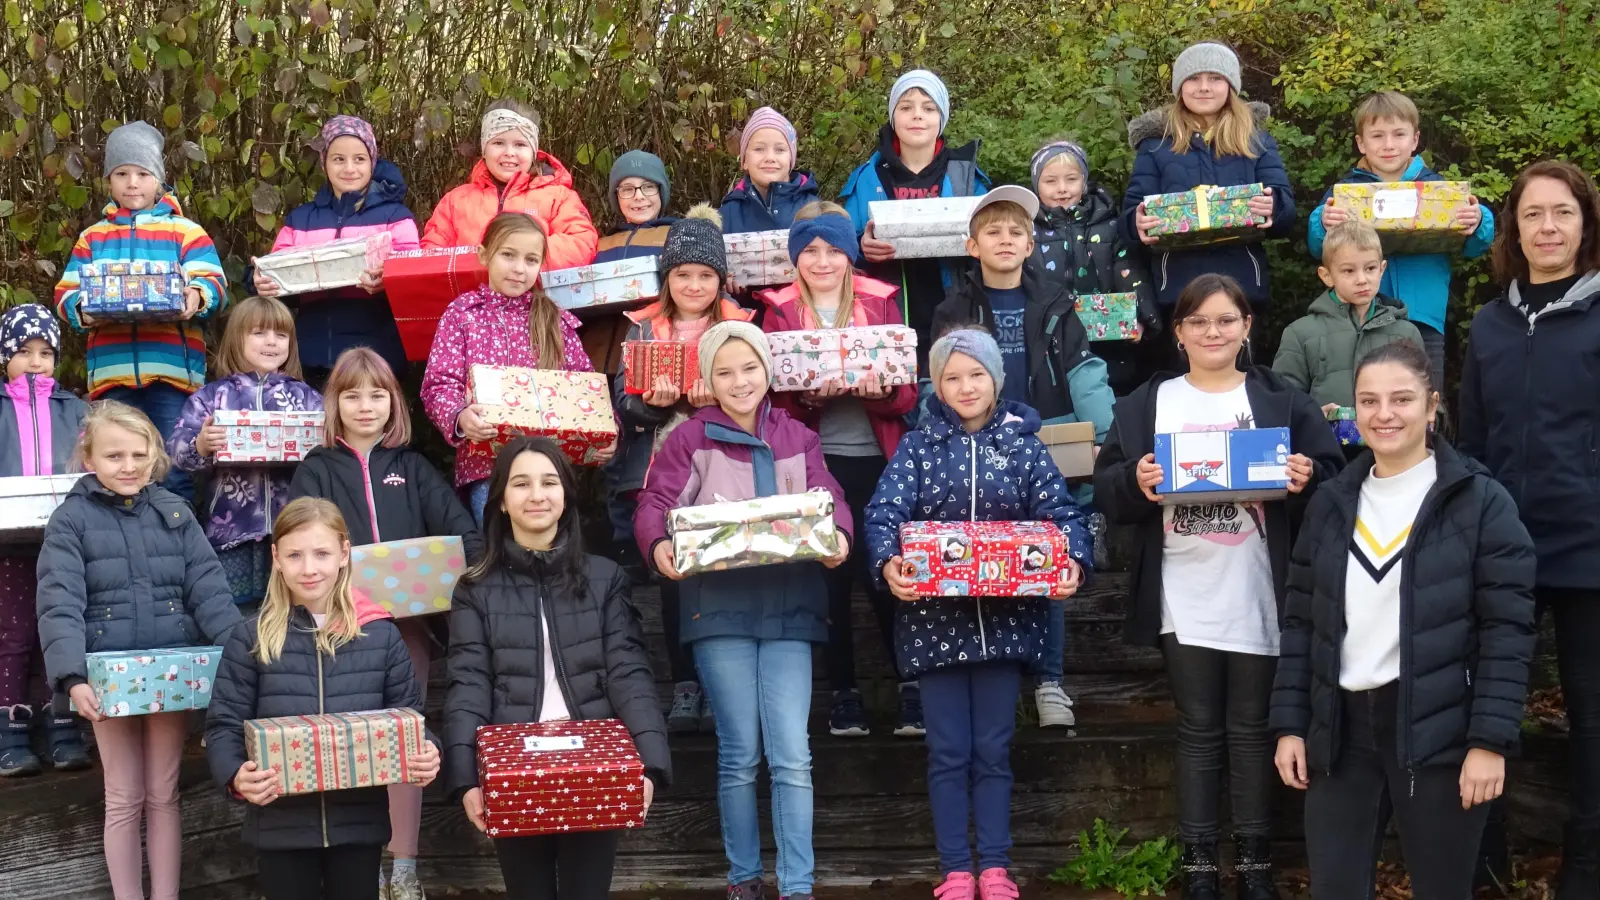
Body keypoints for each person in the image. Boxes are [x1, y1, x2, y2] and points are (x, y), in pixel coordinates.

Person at [1092, 273, 1343, 900]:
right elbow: (1107, 488)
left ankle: (1256, 866)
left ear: (1246, 327)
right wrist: (1137, 480)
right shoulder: (1148, 403)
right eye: (1199, 322)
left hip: (1260, 588)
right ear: (1178, 333)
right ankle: (1201, 867)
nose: (1213, 331)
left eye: (1226, 320)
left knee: (1253, 727)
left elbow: (1334, 478)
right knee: (1199, 729)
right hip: (1185, 588)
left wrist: (1307, 474)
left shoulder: (1281, 398)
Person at [1271, 340, 1536, 900]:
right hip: (1340, 733)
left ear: (1431, 405)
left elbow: (1507, 632)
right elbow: (1301, 621)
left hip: (1439, 732)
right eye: (1368, 401)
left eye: (1401, 399)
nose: (1384, 414)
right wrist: (1292, 724)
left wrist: (1489, 740)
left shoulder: (1481, 502)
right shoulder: (1331, 500)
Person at [864, 328, 1092, 900]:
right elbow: (883, 513)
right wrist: (889, 562)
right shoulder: (917, 448)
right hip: (934, 627)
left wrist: (1073, 563)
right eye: (951, 377)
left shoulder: (1023, 446)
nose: (965, 387)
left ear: (996, 379)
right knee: (947, 752)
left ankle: (994, 866)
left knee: (992, 749)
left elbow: (1062, 515)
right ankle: (955, 870)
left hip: (1007, 623)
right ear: (935, 386)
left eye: (976, 374)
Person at [634, 321, 852, 900]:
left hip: (791, 610)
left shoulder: (798, 437)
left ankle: (798, 886)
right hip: (719, 614)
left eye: (749, 367)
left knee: (792, 755)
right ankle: (744, 880)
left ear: (767, 370)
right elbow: (655, 501)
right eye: (724, 372)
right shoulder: (690, 439)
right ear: (708, 379)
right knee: (739, 754)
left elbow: (829, 496)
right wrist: (659, 546)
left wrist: (842, 539)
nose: (739, 381)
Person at [287, 346, 482, 899]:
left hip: (407, 635)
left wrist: (442, 579)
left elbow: (464, 537)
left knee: (405, 745)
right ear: (335, 403)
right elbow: (300, 544)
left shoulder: (414, 468)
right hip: (337, 633)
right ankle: (361, 867)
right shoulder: (316, 470)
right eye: (352, 394)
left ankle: (404, 868)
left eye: (377, 394)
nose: (365, 405)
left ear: (395, 401)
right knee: (350, 746)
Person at [445, 436, 671, 900]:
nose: (536, 495)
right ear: (502, 501)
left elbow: (629, 671)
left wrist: (649, 763)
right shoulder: (475, 588)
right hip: (511, 769)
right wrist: (466, 776)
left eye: (549, 482)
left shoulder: (605, 578)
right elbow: (469, 682)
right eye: (521, 484)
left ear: (566, 495)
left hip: (595, 764)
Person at [1458, 159, 1600, 895]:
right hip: (1505, 552)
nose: (1548, 227)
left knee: (1592, 719)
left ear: (1585, 223)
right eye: (1533, 214)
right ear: (1513, 226)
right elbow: (1475, 442)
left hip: (1590, 552)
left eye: (1563, 213)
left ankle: (1585, 871)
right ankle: (1485, 866)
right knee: (1486, 710)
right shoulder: (1489, 322)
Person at [35, 400, 242, 900]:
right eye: (114, 456)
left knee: (163, 794)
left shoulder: (176, 514)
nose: (127, 466)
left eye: (137, 454)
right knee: (124, 798)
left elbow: (209, 590)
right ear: (90, 457)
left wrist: (240, 657)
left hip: (173, 675)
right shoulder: (70, 520)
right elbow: (59, 600)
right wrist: (71, 676)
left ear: (154, 456)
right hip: (107, 684)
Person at [930, 185, 1115, 729]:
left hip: (1047, 444)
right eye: (994, 232)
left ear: (1032, 243)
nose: (1005, 241)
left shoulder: (1056, 301)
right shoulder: (953, 308)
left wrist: (1102, 436)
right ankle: (996, 675)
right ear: (972, 245)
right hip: (974, 447)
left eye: (1016, 233)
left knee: (1048, 559)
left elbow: (1086, 372)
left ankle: (1050, 682)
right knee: (986, 560)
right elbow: (934, 382)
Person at [205, 497, 442, 900]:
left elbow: (409, 718)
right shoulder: (251, 638)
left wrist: (428, 751)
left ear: (344, 554)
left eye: (321, 553)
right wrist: (235, 776)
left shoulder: (381, 636)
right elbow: (224, 725)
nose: (309, 568)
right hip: (280, 827)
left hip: (359, 826)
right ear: (276, 557)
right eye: (295, 555)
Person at [756, 201, 921, 739]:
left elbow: (906, 396)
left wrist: (877, 396)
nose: (822, 261)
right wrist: (811, 400)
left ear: (850, 255)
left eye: (832, 249)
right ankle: (844, 693)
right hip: (812, 466)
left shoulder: (881, 300)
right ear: (795, 258)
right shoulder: (778, 310)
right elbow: (771, 402)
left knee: (886, 573)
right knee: (829, 579)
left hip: (877, 460)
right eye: (810, 251)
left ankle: (910, 686)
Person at [609, 205, 753, 732]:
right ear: (667, 278)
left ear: (720, 280)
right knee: (674, 582)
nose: (694, 284)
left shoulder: (740, 327)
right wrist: (655, 402)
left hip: (726, 471)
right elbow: (623, 408)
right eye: (683, 274)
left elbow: (762, 400)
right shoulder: (643, 328)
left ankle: (723, 685)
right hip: (662, 475)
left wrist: (716, 400)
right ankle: (686, 684)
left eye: (705, 275)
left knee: (726, 579)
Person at [51, 120, 229, 501]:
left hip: (172, 377)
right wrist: (85, 310)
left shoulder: (185, 232)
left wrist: (195, 296)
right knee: (115, 468)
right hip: (113, 378)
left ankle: (178, 550)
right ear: (109, 181)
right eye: (122, 173)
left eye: (143, 173)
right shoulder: (92, 238)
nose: (133, 183)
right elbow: (66, 292)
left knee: (174, 467)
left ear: (159, 180)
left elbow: (213, 281)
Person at [419, 212, 613, 521]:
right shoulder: (463, 315)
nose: (519, 269)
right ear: (484, 255)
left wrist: (606, 433)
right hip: (488, 470)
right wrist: (460, 417)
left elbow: (585, 390)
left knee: (550, 558)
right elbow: (439, 384)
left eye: (531, 260)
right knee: (500, 557)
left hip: (549, 473)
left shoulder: (553, 320)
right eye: (508, 255)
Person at [1306, 91, 1496, 392]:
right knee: (1366, 396)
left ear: (1415, 139)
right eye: (1377, 136)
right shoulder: (1344, 193)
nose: (1389, 145)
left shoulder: (1439, 190)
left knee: (1424, 398)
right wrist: (1322, 222)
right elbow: (1319, 248)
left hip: (1423, 317)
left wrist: (1479, 220)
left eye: (1398, 134)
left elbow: (1474, 247)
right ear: (1361, 143)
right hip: (1360, 317)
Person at [1120, 43, 1294, 329]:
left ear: (1230, 86)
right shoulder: (1155, 145)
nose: (1204, 87)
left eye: (1215, 78)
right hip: (1178, 287)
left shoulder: (1256, 140)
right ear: (1179, 88)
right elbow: (1130, 214)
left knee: (1239, 370)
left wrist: (1274, 206)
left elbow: (1285, 212)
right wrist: (1136, 224)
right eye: (1193, 79)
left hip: (1243, 285)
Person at [168, 296, 324, 612]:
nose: (271, 342)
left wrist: (317, 443)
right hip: (231, 531)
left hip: (293, 531)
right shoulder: (212, 397)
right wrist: (201, 444)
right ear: (237, 337)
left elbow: (330, 448)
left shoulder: (305, 397)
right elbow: (177, 454)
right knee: (235, 616)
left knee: (293, 614)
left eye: (281, 335)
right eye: (259, 333)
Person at [252, 115, 421, 385]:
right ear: (325, 163)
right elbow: (277, 271)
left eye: (359, 159)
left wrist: (387, 280)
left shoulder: (396, 217)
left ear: (372, 162)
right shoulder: (301, 219)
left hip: (377, 359)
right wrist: (263, 282)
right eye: (339, 159)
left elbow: (413, 275)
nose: (349, 168)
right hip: (311, 357)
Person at [841, 69, 990, 360]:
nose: (917, 115)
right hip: (886, 316)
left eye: (929, 108)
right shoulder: (866, 178)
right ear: (893, 117)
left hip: (958, 313)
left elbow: (995, 239)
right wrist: (860, 247)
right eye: (906, 107)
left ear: (942, 118)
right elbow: (841, 249)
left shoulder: (968, 177)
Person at [0, 304, 90, 776]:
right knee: (14, 634)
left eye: (46, 353)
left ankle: (62, 723)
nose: (35, 362)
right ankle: (10, 729)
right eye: (23, 351)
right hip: (8, 545)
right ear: (5, 356)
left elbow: (96, 459)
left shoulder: (74, 409)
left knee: (59, 630)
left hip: (64, 542)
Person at [1029, 138, 1160, 396]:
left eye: (1071, 179)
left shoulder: (1108, 223)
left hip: (1108, 342)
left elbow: (1128, 268)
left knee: (1110, 396)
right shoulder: (1028, 229)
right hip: (1048, 340)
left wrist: (1141, 316)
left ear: (1084, 181)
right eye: (1051, 181)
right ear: (1036, 185)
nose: (1062, 189)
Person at [420, 100, 598, 270]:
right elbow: (433, 252)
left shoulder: (559, 197)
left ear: (533, 151)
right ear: (484, 149)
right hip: (472, 297)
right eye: (498, 143)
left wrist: (518, 258)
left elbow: (581, 243)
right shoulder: (456, 200)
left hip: (537, 297)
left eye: (520, 145)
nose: (509, 153)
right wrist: (480, 265)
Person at [1273, 219, 1422, 411]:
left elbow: (1425, 400)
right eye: (1349, 271)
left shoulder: (1406, 333)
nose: (1362, 280)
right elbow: (1281, 404)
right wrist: (1315, 417)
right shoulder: (1300, 334)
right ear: (1326, 276)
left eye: (1370, 268)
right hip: (1323, 439)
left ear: (1382, 269)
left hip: (1391, 437)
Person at [582, 150, 680, 376]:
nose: (638, 196)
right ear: (616, 196)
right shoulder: (599, 243)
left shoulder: (676, 236)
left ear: (661, 191)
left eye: (648, 187)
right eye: (627, 189)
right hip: (594, 359)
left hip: (648, 355)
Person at [719, 107, 822, 234]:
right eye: (759, 149)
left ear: (791, 160)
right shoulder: (727, 215)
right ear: (744, 160)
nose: (770, 158)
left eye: (780, 150)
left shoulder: (816, 211)